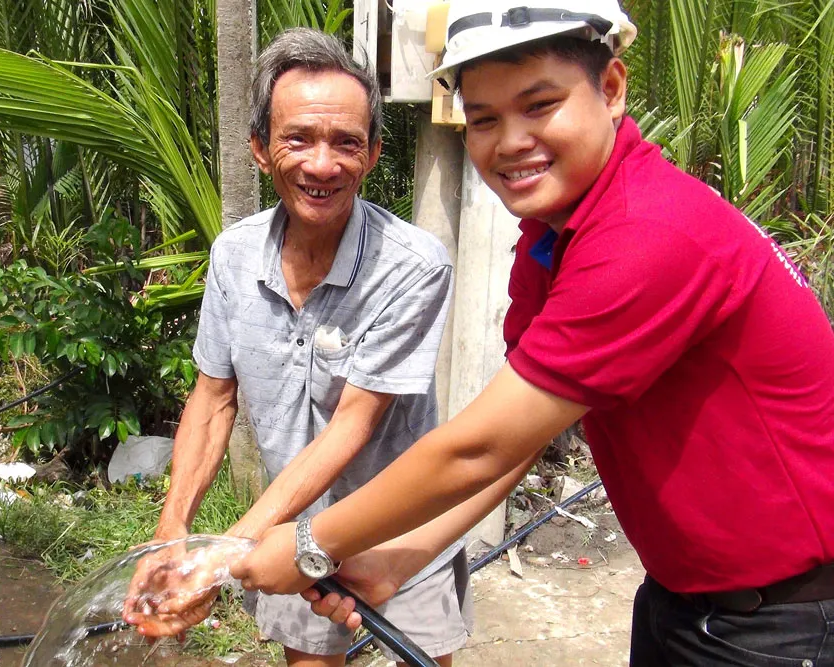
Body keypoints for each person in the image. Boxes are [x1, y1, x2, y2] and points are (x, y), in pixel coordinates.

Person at [230, 2, 834, 665]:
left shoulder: (646, 234)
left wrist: (311, 541)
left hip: (782, 617)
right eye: (484, 118)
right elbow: (522, 432)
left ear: (610, 89)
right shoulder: (554, 238)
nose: (510, 140)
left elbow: (477, 448)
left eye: (539, 105)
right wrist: (399, 558)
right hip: (684, 598)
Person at [122, 27, 472, 667]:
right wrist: (172, 535)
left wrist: (225, 553)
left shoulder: (414, 266)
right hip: (284, 522)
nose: (322, 164)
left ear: (371, 155)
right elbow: (212, 398)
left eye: (346, 142)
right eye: (298, 138)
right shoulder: (233, 255)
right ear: (260, 148)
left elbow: (352, 427)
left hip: (399, 529)